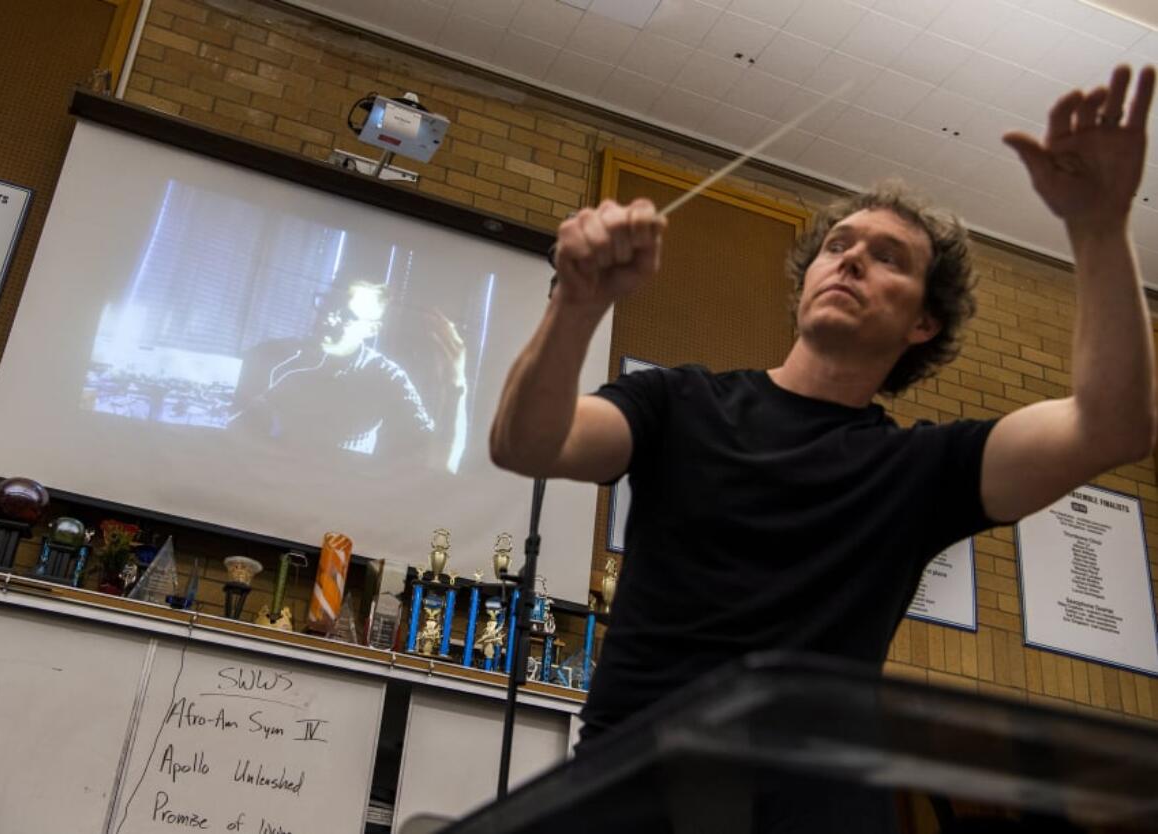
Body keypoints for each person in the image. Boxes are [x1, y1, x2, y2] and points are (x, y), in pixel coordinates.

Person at [489, 65, 1156, 827]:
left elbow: (1113, 426)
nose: (851, 259)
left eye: (889, 257)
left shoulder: (924, 470)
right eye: (839, 244)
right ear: (806, 282)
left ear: (923, 325)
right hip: (632, 794)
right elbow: (528, 442)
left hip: (812, 811)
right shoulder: (680, 402)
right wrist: (577, 303)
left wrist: (1099, 228)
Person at [230, 280, 468, 470]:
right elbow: (229, 431)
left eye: (347, 315)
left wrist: (456, 384)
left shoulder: (386, 377)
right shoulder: (270, 355)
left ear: (372, 329)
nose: (327, 318)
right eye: (326, 304)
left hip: (334, 505)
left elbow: (441, 463)